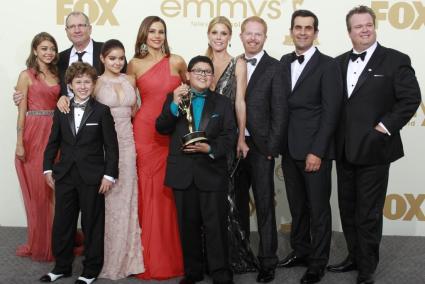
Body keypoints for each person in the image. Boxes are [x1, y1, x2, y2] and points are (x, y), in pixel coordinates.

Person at [326, 6, 421, 284]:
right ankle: (354, 256)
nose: (365, 29)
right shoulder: (338, 62)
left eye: (369, 25)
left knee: (368, 211)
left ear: (374, 26)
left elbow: (411, 99)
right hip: (344, 149)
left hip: (375, 149)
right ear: (349, 32)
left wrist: (385, 127)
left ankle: (367, 267)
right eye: (358, 26)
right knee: (347, 207)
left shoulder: (395, 60)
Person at [156, 55, 236, 284]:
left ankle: (221, 272)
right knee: (187, 226)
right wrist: (173, 104)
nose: (203, 75)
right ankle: (193, 272)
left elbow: (229, 135)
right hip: (183, 173)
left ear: (212, 78)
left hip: (211, 171)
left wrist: (210, 147)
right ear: (188, 75)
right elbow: (161, 128)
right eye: (198, 71)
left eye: (207, 72)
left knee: (216, 227)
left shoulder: (222, 103)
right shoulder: (174, 98)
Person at [40, 62, 119, 284]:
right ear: (70, 85)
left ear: (94, 84)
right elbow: (53, 141)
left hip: (93, 176)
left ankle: (91, 270)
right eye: (78, 82)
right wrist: (47, 168)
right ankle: (61, 266)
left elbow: (111, 147)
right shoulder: (61, 109)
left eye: (87, 82)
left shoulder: (102, 111)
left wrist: (109, 175)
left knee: (92, 224)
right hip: (65, 175)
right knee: (63, 222)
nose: (83, 86)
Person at [279, 10, 342, 284]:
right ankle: (301, 250)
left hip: (315, 150)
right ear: (291, 31)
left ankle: (318, 262)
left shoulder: (328, 65)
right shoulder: (283, 61)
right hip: (289, 147)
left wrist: (317, 151)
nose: (302, 32)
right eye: (298, 27)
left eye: (308, 28)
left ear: (316, 33)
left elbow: (331, 113)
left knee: (318, 209)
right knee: (297, 207)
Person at [126, 15, 186, 279]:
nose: (157, 36)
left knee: (167, 192)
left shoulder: (177, 61)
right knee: (146, 191)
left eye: (161, 31)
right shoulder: (134, 65)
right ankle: (145, 256)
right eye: (152, 31)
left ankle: (170, 254)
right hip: (143, 132)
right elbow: (125, 98)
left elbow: (196, 87)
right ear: (144, 34)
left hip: (170, 132)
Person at [236, 16, 288, 283]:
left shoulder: (276, 67)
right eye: (249, 33)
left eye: (259, 34)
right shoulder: (235, 63)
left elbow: (280, 111)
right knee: (238, 206)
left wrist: (271, 148)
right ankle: (243, 255)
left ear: (265, 38)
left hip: (260, 147)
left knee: (265, 204)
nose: (253, 38)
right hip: (234, 146)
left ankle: (268, 260)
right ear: (241, 35)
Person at [205, 16, 257, 273]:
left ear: (229, 37)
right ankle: (207, 258)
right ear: (208, 35)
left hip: (227, 138)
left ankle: (232, 257)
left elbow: (240, 102)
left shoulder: (239, 63)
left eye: (223, 33)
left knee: (228, 199)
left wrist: (240, 138)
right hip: (203, 140)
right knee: (206, 199)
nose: (218, 37)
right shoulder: (200, 62)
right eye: (215, 32)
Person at [95, 39, 144, 280]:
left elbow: (135, 112)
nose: (117, 62)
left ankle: (128, 258)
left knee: (127, 200)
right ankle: (106, 258)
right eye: (112, 58)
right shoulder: (94, 84)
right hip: (104, 148)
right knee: (109, 203)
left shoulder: (129, 81)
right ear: (103, 58)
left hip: (128, 145)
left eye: (121, 58)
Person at [14, 32, 60, 262]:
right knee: (40, 192)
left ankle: (56, 240)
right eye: (44, 48)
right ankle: (42, 243)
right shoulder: (26, 75)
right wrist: (19, 141)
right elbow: (21, 110)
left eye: (52, 48)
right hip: (33, 134)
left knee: (54, 192)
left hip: (55, 135)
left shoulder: (58, 74)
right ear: (35, 51)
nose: (49, 52)